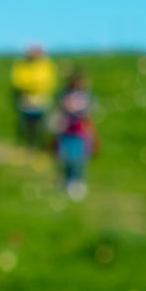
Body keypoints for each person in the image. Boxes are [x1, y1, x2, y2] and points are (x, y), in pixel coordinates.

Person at [53, 70, 98, 201]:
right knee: (66, 158)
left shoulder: (87, 96)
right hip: (66, 131)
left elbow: (88, 112)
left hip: (80, 132)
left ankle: (77, 183)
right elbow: (62, 108)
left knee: (80, 159)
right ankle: (66, 182)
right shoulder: (64, 95)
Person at [10, 44, 57, 150]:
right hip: (26, 101)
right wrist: (34, 85)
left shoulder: (46, 65)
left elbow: (48, 82)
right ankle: (28, 146)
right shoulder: (22, 65)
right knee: (28, 125)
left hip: (42, 100)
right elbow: (18, 81)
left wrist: (32, 85)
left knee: (43, 126)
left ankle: (41, 146)